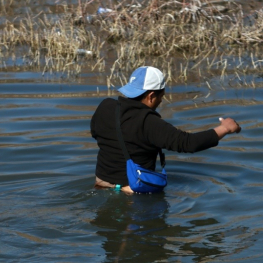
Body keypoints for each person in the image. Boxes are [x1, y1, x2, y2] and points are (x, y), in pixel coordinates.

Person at [90, 66, 241, 193]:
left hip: (101, 185)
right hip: (133, 191)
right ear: (151, 96)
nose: (161, 100)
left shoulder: (105, 107)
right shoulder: (149, 122)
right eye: (161, 96)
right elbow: (189, 143)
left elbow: (95, 134)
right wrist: (225, 128)